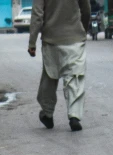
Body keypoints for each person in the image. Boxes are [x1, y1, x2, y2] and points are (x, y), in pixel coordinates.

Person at [28, 0, 91, 131]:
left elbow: (37, 15)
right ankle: (74, 115)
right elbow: (86, 10)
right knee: (75, 77)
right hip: (75, 39)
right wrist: (82, 29)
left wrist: (32, 42)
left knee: (50, 76)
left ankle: (47, 113)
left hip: (51, 39)